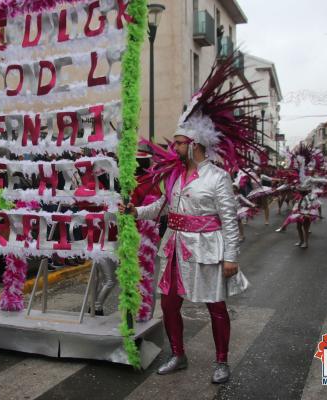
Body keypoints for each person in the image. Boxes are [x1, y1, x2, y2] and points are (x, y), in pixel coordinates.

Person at [122, 57, 253, 383]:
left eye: (179, 142)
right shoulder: (174, 176)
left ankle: (221, 361)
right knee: (167, 304)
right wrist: (134, 212)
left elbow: (229, 219)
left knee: (216, 307)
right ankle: (178, 354)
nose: (174, 146)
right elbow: (161, 209)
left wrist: (231, 257)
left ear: (194, 144)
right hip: (176, 248)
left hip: (209, 249)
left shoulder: (218, 177)